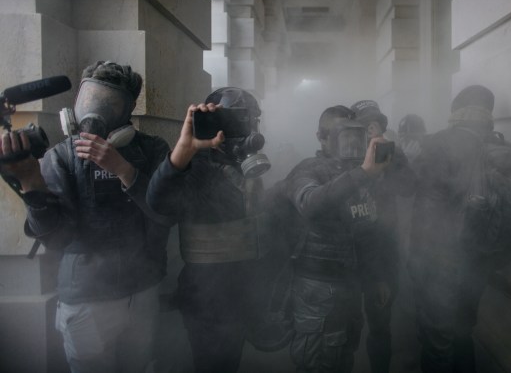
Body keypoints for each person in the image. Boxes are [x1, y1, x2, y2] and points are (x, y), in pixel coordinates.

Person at [0, 61, 173, 373]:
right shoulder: (61, 156)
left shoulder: (151, 150)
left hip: (142, 290)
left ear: (128, 111)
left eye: (109, 104)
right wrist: (30, 181)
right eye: (89, 101)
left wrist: (124, 169)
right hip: (86, 300)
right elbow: (56, 238)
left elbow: (167, 213)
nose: (94, 113)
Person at [408, 85, 511, 373]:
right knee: (463, 332)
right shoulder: (505, 150)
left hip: (437, 262)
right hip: (478, 262)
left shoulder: (435, 145)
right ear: (487, 117)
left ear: (456, 113)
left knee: (436, 341)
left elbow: (406, 189)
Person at [145, 87, 272, 373]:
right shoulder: (197, 167)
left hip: (240, 292)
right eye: (234, 122)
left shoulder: (243, 165)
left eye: (248, 121)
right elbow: (158, 201)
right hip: (208, 298)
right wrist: (183, 152)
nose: (244, 131)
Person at [282, 105, 391, 373]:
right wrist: (362, 173)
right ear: (321, 137)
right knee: (317, 362)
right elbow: (309, 203)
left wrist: (376, 277)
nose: (350, 141)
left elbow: (368, 230)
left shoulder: (363, 172)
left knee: (342, 358)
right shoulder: (310, 168)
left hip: (350, 285)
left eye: (355, 134)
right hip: (317, 290)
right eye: (342, 134)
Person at [349, 100, 417, 373]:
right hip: (348, 253)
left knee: (380, 324)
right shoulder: (343, 154)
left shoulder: (390, 155)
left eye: (375, 124)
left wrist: (393, 156)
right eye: (364, 125)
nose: (370, 130)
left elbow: (410, 187)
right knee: (344, 325)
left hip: (384, 249)